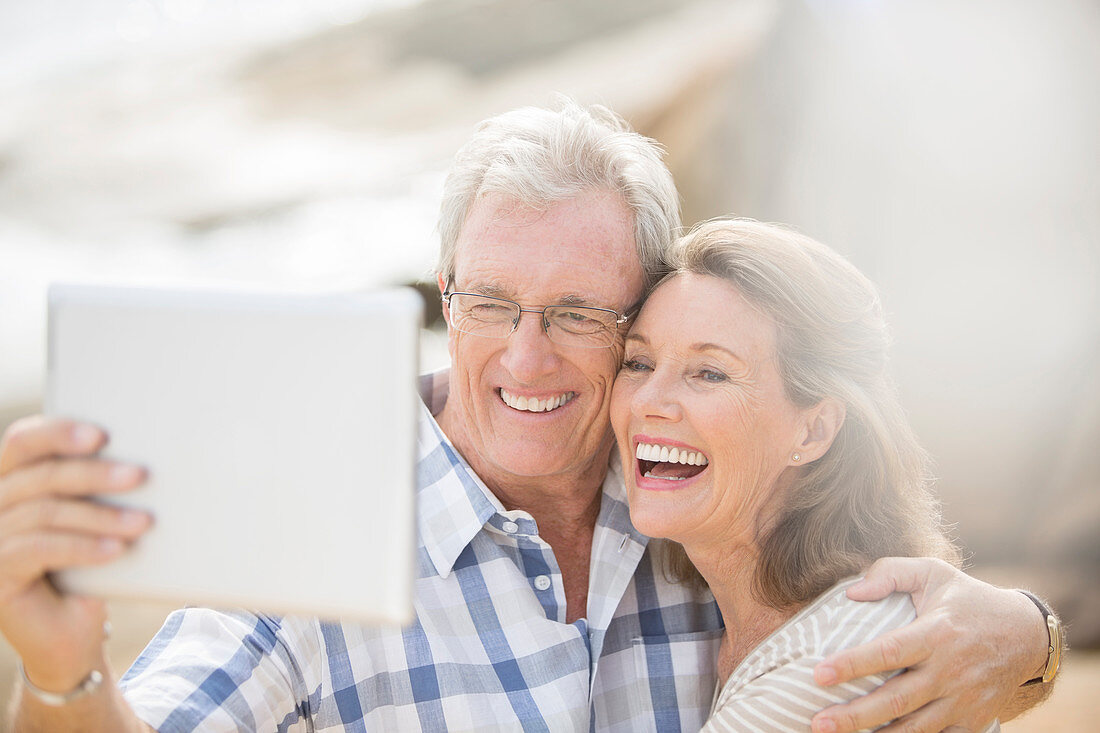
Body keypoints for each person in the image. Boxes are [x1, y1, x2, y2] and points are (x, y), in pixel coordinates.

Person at [0, 101, 1057, 732]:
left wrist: (1026, 637)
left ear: (637, 314)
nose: (523, 355)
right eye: (491, 303)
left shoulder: (698, 504)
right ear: (445, 295)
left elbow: (889, 619)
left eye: (579, 315)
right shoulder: (312, 534)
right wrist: (63, 676)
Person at [611, 218, 1010, 731]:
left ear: (814, 431)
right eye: (638, 363)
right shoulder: (754, 619)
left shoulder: (841, 659)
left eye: (710, 373)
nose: (648, 402)